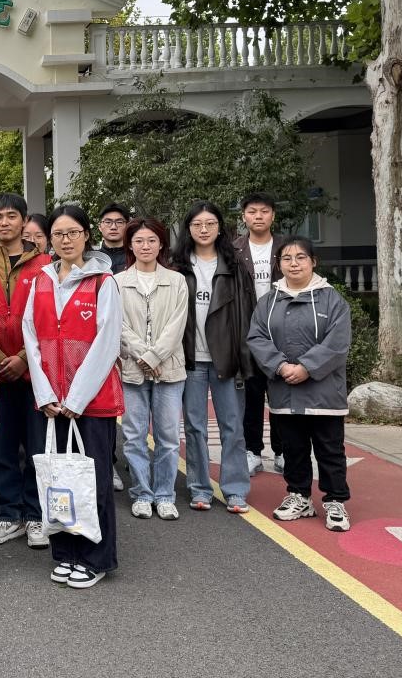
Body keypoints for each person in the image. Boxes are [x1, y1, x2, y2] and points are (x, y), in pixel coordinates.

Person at [22, 205, 123, 589]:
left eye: (73, 232)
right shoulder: (41, 281)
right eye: (58, 234)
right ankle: (65, 552)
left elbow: (106, 343)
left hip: (91, 403)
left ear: (86, 235)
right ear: (49, 239)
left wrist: (76, 399)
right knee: (59, 481)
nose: (66, 240)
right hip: (52, 403)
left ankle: (96, 558)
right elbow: (31, 337)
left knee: (93, 481)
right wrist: (45, 393)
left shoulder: (103, 282)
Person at [247, 237, 353, 532]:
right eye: (287, 258)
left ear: (313, 262)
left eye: (301, 257)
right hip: (285, 390)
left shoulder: (332, 300)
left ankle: (335, 500)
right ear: (279, 264)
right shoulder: (269, 302)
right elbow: (257, 337)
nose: (294, 264)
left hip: (324, 393)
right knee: (293, 448)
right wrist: (280, 366)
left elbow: (338, 342)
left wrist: (307, 367)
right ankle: (299, 496)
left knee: (330, 449)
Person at [0, 193, 51, 548]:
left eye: (11, 216)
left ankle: (35, 514)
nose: (4, 222)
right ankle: (8, 513)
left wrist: (22, 357)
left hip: (36, 371)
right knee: (1, 449)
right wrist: (0, 357)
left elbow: (51, 320)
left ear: (24, 220)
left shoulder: (46, 265)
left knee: (37, 446)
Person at [173, 201, 255, 514]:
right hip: (191, 359)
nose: (204, 229)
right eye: (197, 224)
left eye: (210, 223)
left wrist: (245, 360)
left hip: (227, 358)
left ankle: (235, 489)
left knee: (232, 427)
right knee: (195, 427)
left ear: (220, 228)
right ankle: (200, 488)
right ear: (188, 229)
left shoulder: (234, 266)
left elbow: (247, 316)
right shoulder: (178, 267)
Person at [116, 218, 188, 521]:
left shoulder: (177, 281)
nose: (145, 246)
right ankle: (142, 494)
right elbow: (118, 326)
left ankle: (165, 495)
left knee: (168, 437)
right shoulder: (117, 282)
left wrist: (155, 356)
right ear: (130, 246)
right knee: (134, 435)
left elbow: (177, 325)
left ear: (161, 245)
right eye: (139, 241)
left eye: (151, 240)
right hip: (132, 369)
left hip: (169, 369)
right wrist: (143, 356)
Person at [234, 191, 286, 476]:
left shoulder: (286, 247)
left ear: (273, 216)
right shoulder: (234, 250)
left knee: (281, 394)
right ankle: (252, 451)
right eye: (252, 211)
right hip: (249, 331)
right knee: (252, 396)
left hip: (282, 331)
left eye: (264, 211)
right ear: (244, 216)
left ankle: (282, 451)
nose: (258, 216)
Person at [96, 203, 130, 272]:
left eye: (119, 222)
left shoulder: (136, 257)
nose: (113, 227)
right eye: (108, 222)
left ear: (127, 225)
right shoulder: (92, 259)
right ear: (100, 227)